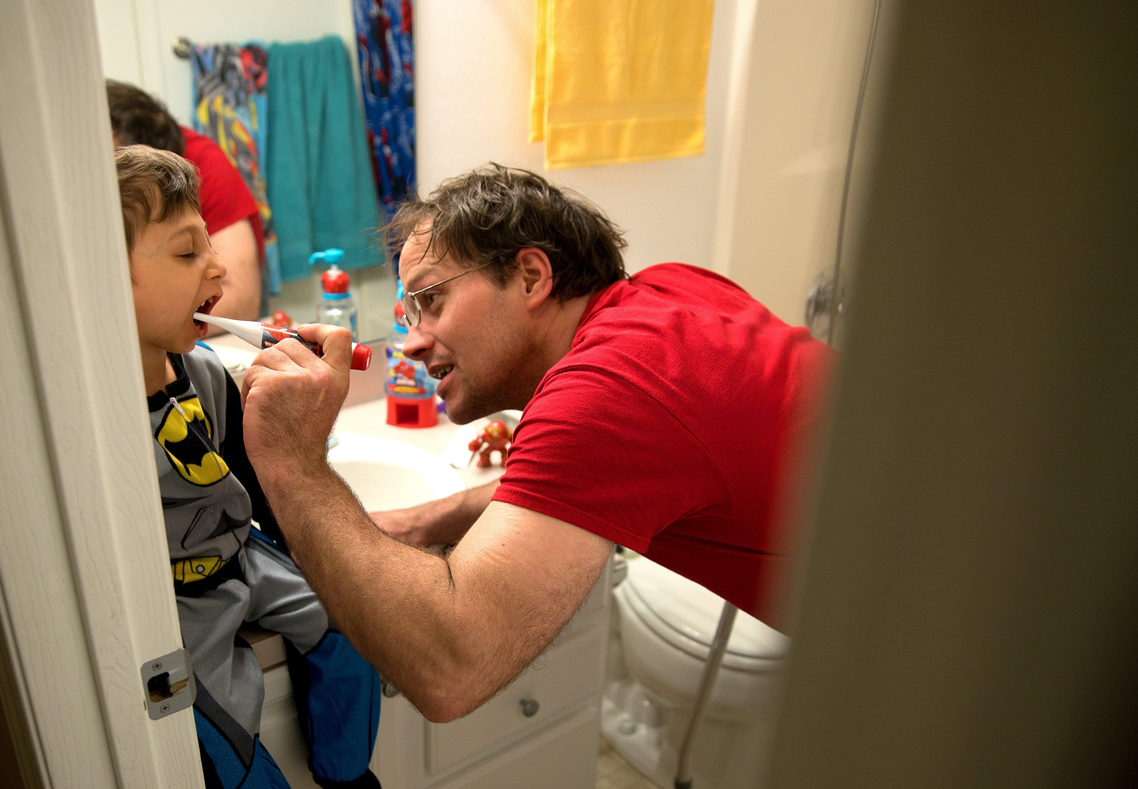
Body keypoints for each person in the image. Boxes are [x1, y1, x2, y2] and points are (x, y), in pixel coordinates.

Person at [236, 164, 836, 724]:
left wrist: (293, 461)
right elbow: (563, 485)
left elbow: (453, 667)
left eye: (430, 300)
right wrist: (424, 521)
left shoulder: (608, 388)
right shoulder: (668, 292)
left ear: (530, 277)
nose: (412, 343)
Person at [114, 145, 392, 789]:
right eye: (185, 251)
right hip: (174, 602)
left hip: (245, 558)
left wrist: (317, 554)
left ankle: (345, 771)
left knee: (351, 624)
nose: (217, 270)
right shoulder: (96, 429)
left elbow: (256, 484)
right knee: (222, 730)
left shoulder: (205, 371)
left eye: (209, 244)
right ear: (105, 278)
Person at [107, 80, 264, 323]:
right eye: (188, 253)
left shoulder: (203, 165)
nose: (219, 268)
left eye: (186, 253)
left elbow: (239, 300)